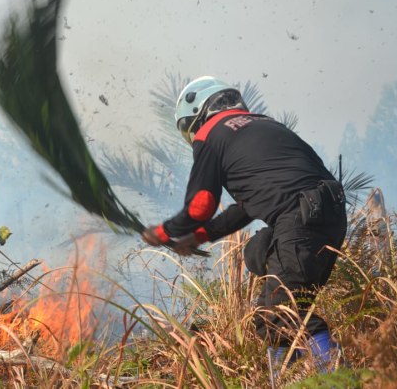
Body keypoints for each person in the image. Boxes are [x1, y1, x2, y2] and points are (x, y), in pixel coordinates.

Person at [141, 76, 347, 373]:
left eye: (190, 128)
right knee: (267, 307)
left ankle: (346, 378)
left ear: (199, 113)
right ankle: (287, 379)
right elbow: (248, 206)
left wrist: (162, 232)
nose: (192, 136)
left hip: (298, 219)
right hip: (330, 217)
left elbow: (200, 204)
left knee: (284, 313)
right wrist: (198, 236)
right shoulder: (266, 125)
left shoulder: (211, 133)